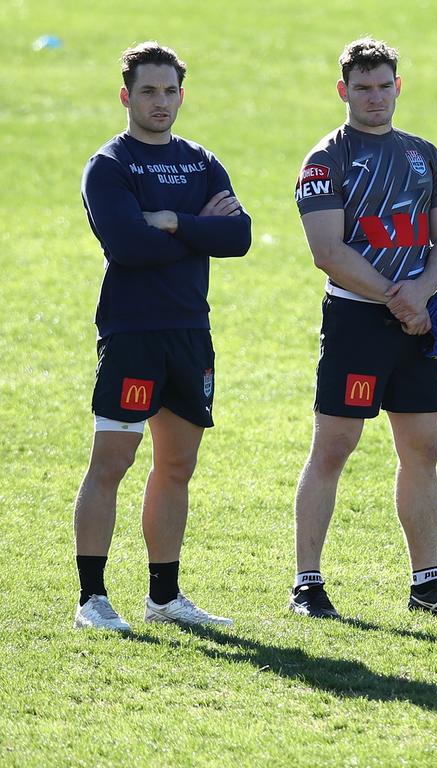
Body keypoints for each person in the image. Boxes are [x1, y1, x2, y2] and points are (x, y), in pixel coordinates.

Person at [289, 38, 437, 620]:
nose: (374, 97)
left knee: (423, 446)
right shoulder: (326, 160)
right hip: (357, 320)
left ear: (398, 86)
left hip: (417, 318)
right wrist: (399, 300)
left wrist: (420, 294)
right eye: (362, 87)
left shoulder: (423, 154)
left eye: (384, 86)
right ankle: (307, 583)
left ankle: (427, 583)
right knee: (335, 445)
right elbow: (328, 250)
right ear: (343, 90)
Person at [73, 42, 251, 631]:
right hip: (132, 333)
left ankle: (164, 599)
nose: (160, 101)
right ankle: (92, 599)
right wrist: (202, 229)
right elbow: (128, 245)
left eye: (169, 90)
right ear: (127, 96)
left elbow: (241, 236)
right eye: (148, 91)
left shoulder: (201, 161)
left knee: (177, 464)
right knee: (114, 459)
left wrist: (174, 222)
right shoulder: (110, 166)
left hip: (189, 333)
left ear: (182, 94)